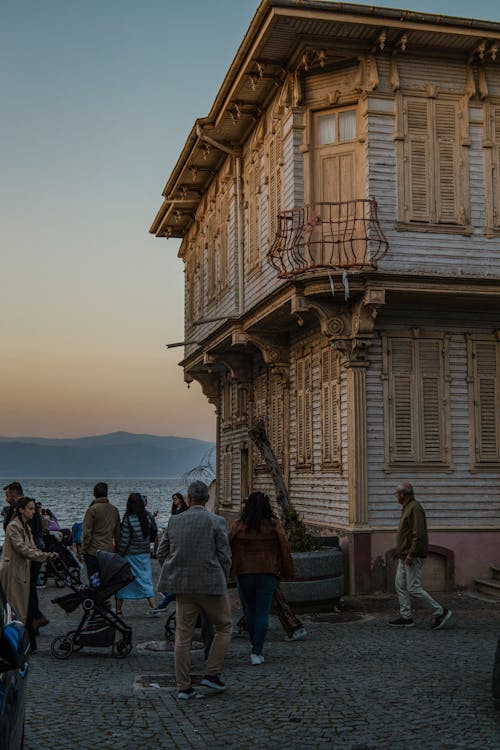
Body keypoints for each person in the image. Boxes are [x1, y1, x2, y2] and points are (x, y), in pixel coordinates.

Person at [157, 480, 232, 700]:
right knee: (224, 626)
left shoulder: (174, 521)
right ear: (207, 500)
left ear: (189, 499)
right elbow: (225, 556)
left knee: (183, 635)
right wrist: (223, 577)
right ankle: (212, 672)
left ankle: (183, 686)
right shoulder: (216, 521)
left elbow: (161, 552)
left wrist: (173, 571)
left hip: (183, 586)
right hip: (210, 585)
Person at [229, 491, 295, 665]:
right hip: (268, 572)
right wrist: (288, 571)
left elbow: (226, 545)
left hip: (244, 573)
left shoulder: (238, 525)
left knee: (249, 611)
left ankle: (253, 644)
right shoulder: (274, 525)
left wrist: (229, 569)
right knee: (262, 612)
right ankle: (257, 651)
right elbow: (285, 548)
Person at [389, 482, 452, 630]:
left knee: (413, 588)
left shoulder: (415, 508)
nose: (396, 497)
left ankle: (440, 611)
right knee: (400, 585)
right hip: (404, 555)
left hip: (412, 555)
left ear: (403, 494)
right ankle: (406, 617)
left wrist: (411, 553)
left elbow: (419, 534)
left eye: (397, 494)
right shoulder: (407, 507)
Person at [0, 497, 57, 651]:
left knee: (22, 608)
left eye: (33, 509)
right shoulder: (14, 527)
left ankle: (22, 644)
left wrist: (46, 554)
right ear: (21, 510)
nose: (34, 512)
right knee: (16, 608)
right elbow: (22, 549)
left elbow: (31, 548)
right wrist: (44, 556)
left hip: (22, 571)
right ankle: (14, 644)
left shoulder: (26, 527)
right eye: (30, 509)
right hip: (12, 572)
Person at [115, 493, 158, 616]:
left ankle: (118, 609)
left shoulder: (128, 518)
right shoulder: (148, 516)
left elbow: (125, 540)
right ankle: (154, 607)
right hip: (144, 553)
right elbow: (153, 533)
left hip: (130, 554)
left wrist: (119, 554)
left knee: (124, 581)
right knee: (145, 580)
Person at [153, 492, 189, 613]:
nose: (174, 501)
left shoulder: (184, 510)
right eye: (173, 499)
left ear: (180, 499)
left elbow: (160, 553)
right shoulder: (175, 510)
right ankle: (167, 599)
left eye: (175, 498)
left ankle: (165, 602)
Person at [81, 482, 121, 581]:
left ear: (94, 494)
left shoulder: (92, 510)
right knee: (106, 579)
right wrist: (117, 550)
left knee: (94, 580)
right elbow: (118, 534)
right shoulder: (114, 510)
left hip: (93, 551)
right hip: (108, 551)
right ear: (106, 493)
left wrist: (83, 549)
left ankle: (95, 595)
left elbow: (87, 533)